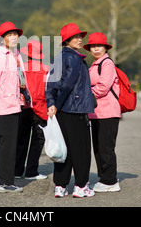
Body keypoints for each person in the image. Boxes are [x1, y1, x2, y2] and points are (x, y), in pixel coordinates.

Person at [45, 23, 95, 198]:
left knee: (63, 149)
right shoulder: (75, 58)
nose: (80, 39)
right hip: (75, 108)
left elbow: (50, 83)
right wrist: (57, 104)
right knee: (80, 149)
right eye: (76, 37)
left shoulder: (58, 57)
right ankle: (81, 186)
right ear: (67, 40)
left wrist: (51, 102)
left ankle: (60, 185)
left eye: (81, 36)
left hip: (61, 110)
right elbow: (67, 84)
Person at [0, 21, 32, 193]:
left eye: (15, 34)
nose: (14, 37)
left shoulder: (15, 55)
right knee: (7, 145)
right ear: (2, 39)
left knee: (8, 144)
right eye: (9, 35)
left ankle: (0, 179)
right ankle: (6, 182)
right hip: (4, 105)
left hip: (14, 105)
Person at [84, 32, 121, 193]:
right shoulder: (94, 64)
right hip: (97, 112)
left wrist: (85, 94)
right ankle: (104, 178)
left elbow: (103, 87)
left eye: (99, 46)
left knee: (106, 147)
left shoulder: (107, 63)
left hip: (108, 111)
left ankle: (110, 180)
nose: (96, 49)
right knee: (98, 147)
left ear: (106, 47)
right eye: (93, 46)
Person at [15, 39, 49, 180]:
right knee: (37, 140)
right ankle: (31, 171)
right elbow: (48, 90)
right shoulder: (46, 69)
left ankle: (17, 170)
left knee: (21, 139)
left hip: (23, 106)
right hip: (40, 107)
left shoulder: (20, 67)